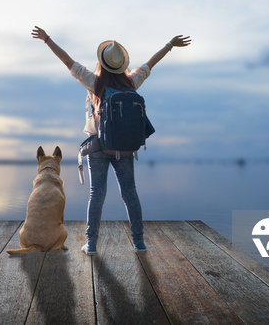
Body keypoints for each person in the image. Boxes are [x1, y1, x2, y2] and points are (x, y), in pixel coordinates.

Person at [31, 26, 191, 255]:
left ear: (102, 63)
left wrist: (47, 39)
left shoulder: (94, 82)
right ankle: (139, 242)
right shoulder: (131, 83)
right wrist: (169, 45)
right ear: (122, 64)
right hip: (125, 148)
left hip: (98, 147)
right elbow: (150, 64)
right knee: (130, 194)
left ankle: (92, 244)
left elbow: (68, 62)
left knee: (97, 194)